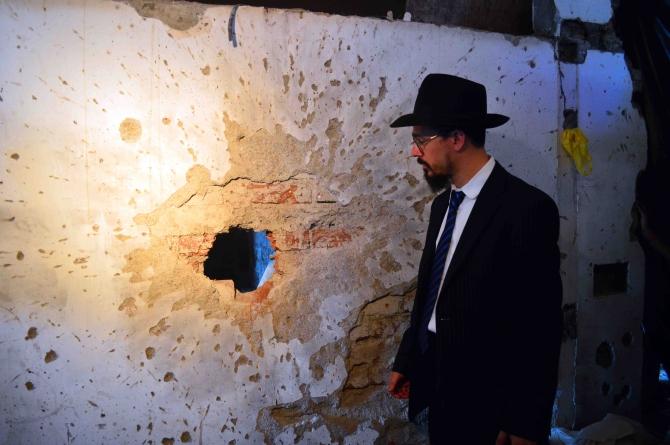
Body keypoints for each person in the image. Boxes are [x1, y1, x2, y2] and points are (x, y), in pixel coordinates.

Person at [386, 74, 563, 445]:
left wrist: (524, 423)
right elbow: (432, 293)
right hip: (438, 381)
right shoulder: (442, 206)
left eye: (421, 140)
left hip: (490, 401)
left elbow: (539, 329)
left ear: (457, 138)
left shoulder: (526, 209)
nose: (414, 151)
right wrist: (408, 359)